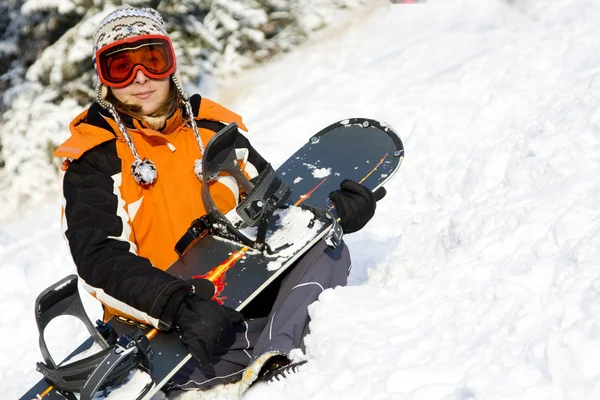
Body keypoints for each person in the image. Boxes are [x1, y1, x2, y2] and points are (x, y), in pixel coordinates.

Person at [54, 6, 380, 395]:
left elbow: (274, 202)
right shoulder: (94, 159)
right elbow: (98, 258)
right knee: (206, 343)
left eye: (153, 60)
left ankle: (275, 356)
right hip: (170, 320)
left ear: (170, 63)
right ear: (103, 77)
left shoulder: (211, 128)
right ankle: (260, 343)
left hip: (245, 285)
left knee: (328, 249)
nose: (140, 78)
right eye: (121, 67)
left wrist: (332, 212)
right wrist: (175, 305)